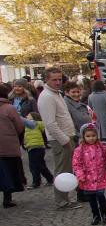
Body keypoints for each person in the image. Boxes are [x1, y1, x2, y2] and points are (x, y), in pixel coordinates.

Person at [37, 67, 81, 210]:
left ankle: (65, 199)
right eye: (54, 79)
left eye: (59, 79)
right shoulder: (46, 97)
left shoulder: (57, 94)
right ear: (47, 80)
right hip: (60, 140)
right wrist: (65, 140)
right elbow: (50, 123)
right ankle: (61, 202)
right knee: (62, 171)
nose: (57, 82)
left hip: (67, 136)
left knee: (67, 169)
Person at [72, 123, 106, 225]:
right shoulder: (79, 150)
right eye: (88, 136)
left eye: (93, 136)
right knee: (91, 198)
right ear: (83, 137)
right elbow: (76, 164)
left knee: (101, 196)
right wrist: (80, 175)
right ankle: (95, 215)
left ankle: (104, 213)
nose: (91, 138)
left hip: (100, 177)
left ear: (97, 135)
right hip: (87, 179)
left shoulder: (102, 147)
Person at [0, 83, 26, 209]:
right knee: (9, 171)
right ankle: (7, 197)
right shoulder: (9, 108)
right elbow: (19, 126)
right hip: (8, 145)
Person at [22, 111, 53, 189]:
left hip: (36, 146)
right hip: (31, 147)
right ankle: (49, 179)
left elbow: (43, 128)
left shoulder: (36, 123)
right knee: (40, 164)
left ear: (34, 116)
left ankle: (36, 182)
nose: (26, 116)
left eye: (28, 115)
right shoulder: (27, 125)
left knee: (34, 166)